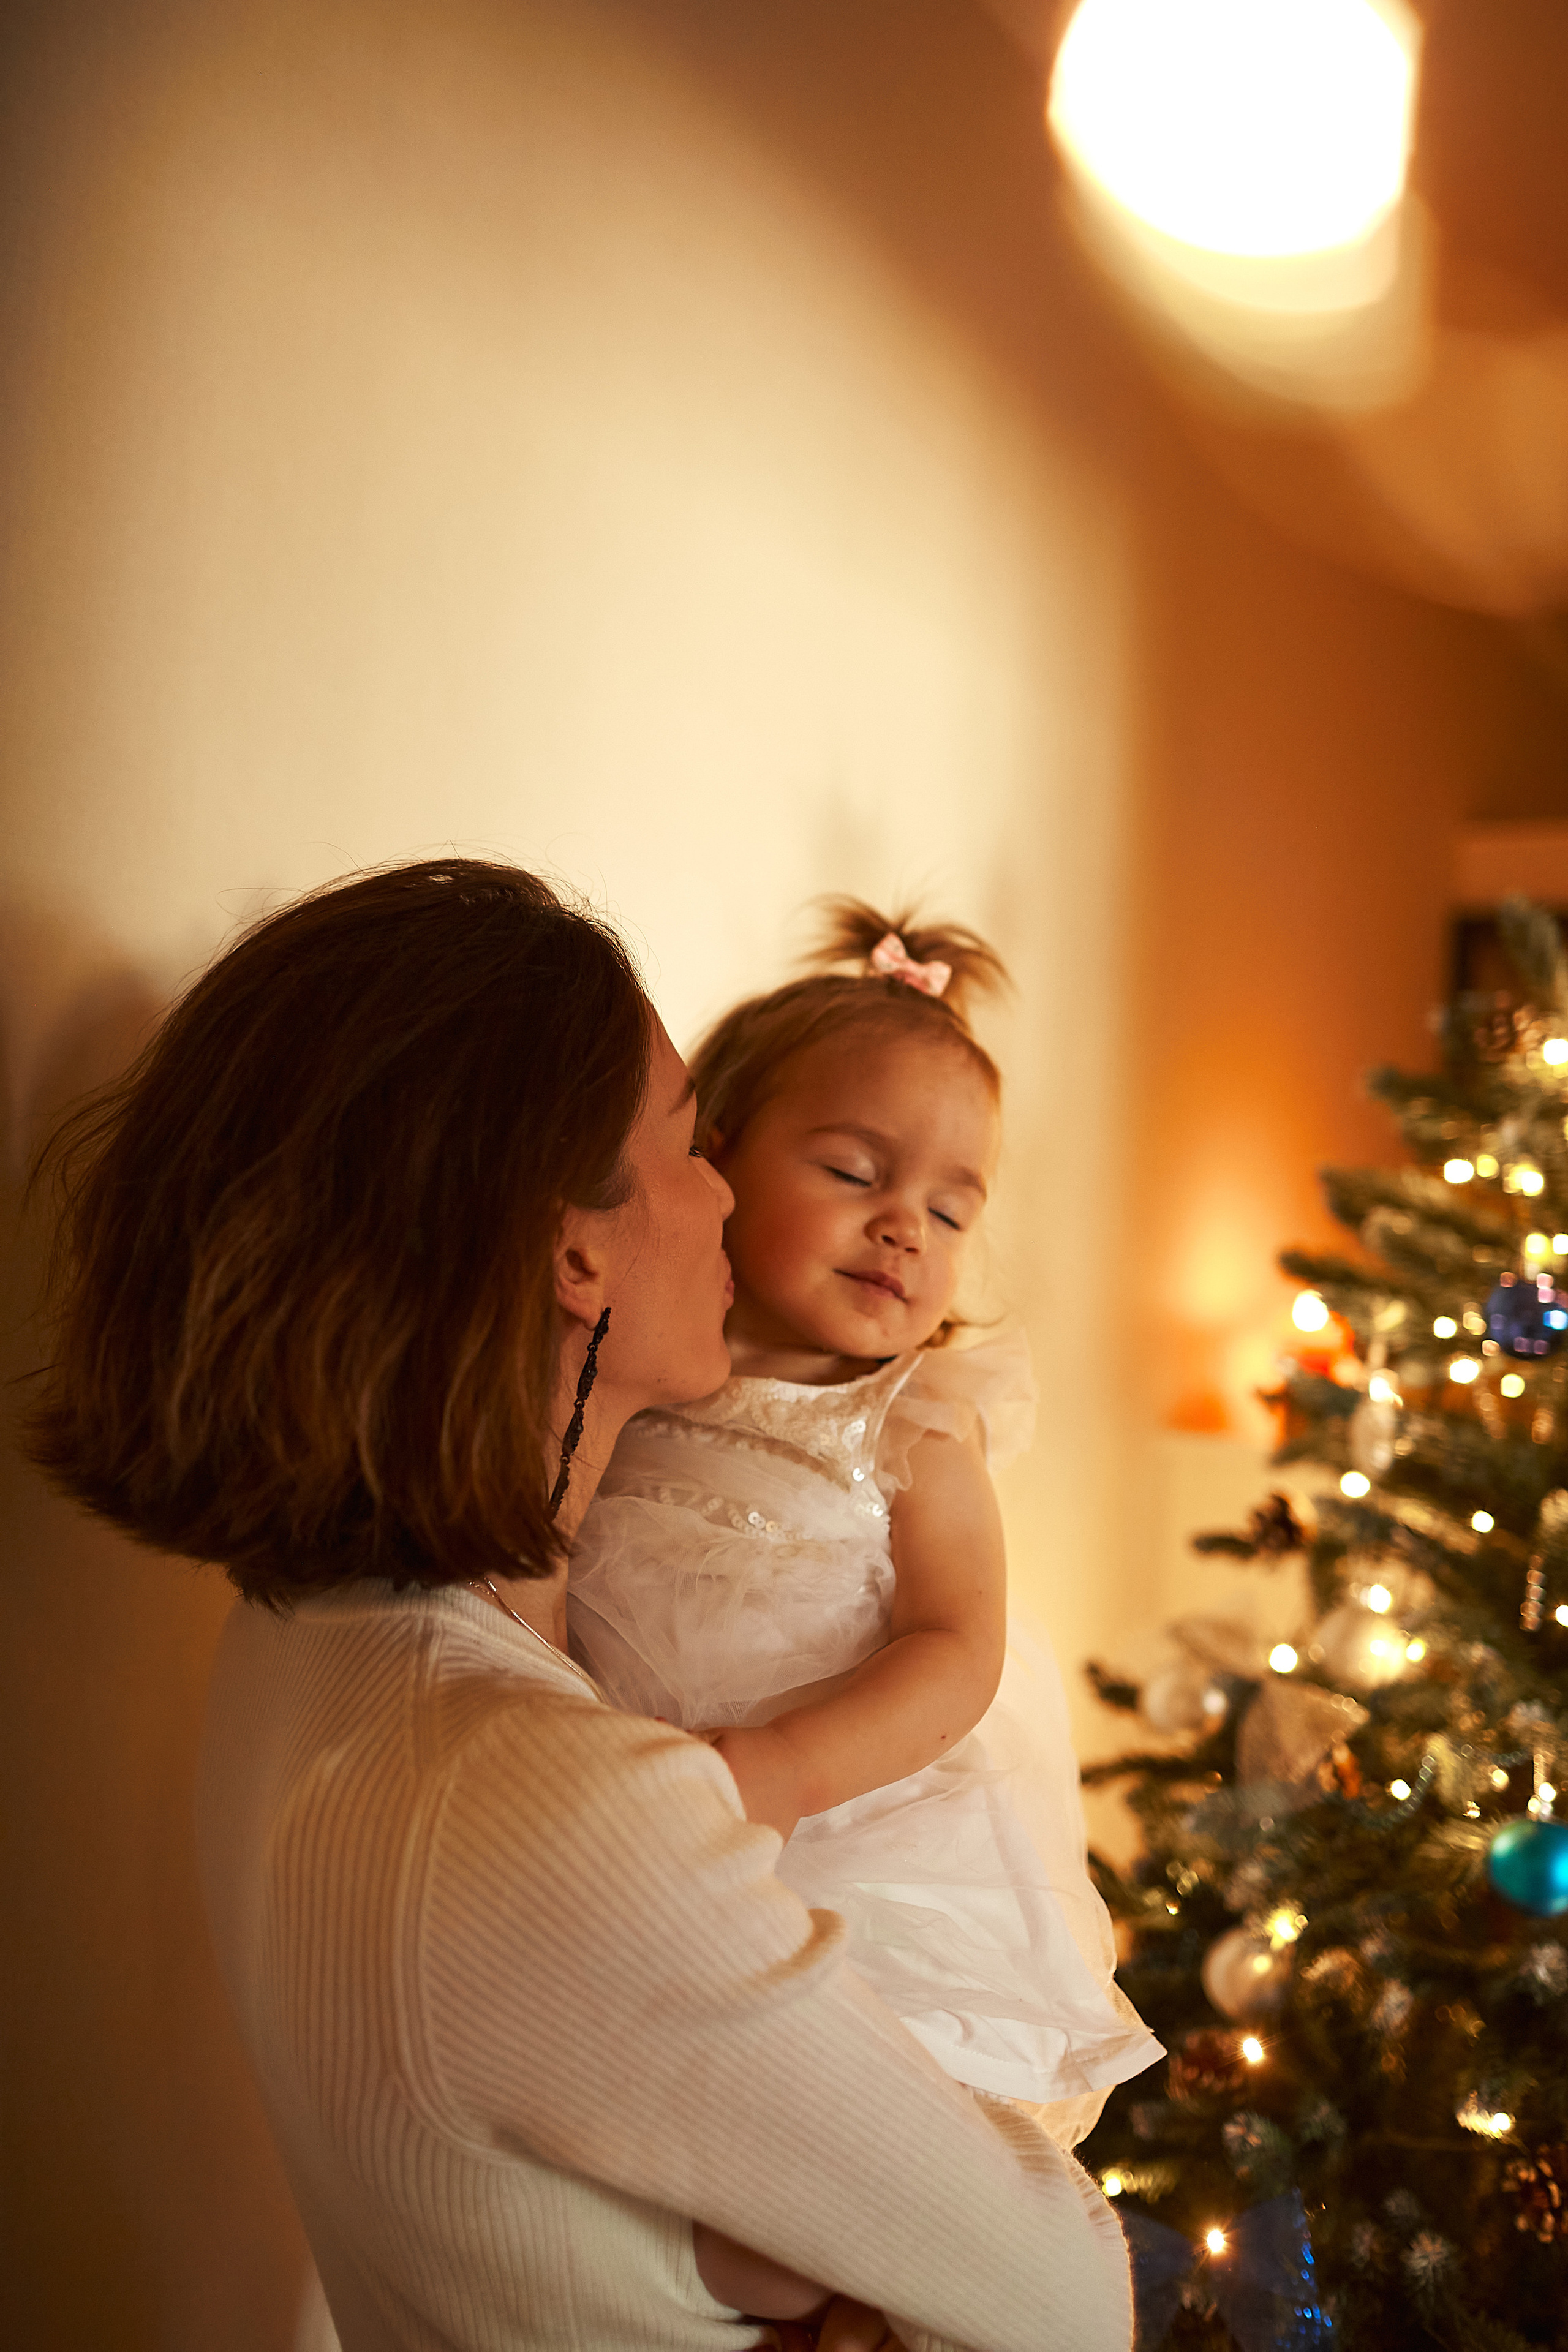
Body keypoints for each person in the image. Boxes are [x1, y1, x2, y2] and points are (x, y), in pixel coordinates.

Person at [26, 859, 1132, 2352]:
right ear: (574, 1249)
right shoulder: (554, 1796)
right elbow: (1068, 2299)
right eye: (689, 1141)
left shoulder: (301, 1634)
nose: (722, 1190)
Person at [569, 903, 1161, 2154]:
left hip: (854, 1830)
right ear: (717, 1158)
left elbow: (958, 1645)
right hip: (647, 1822)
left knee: (852, 2105)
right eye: (853, 1173)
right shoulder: (641, 1375)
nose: (904, 1227)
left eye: (951, 1212)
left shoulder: (918, 1418)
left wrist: (792, 1766)